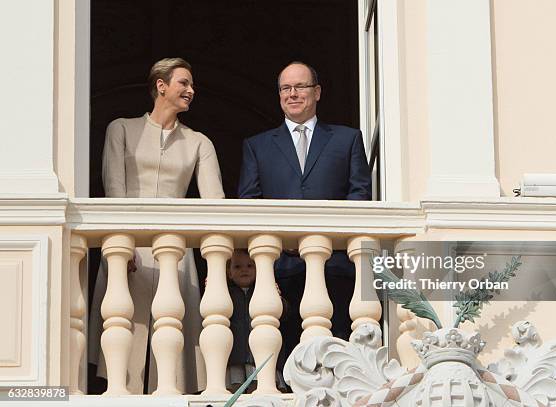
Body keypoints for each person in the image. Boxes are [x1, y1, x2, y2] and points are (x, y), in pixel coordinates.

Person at [88, 57, 224, 394]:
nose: (191, 90)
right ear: (161, 86)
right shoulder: (120, 128)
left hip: (176, 252)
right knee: (123, 346)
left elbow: (217, 207)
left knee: (172, 353)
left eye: (192, 85)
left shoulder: (199, 142)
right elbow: (114, 189)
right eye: (184, 83)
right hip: (127, 247)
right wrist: (122, 244)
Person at [238, 61, 371, 356]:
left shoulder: (347, 139)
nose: (292, 94)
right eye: (286, 88)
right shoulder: (257, 146)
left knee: (337, 353)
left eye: (300, 86)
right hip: (280, 271)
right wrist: (283, 243)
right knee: (282, 356)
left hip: (336, 267)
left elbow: (359, 194)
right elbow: (249, 204)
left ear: (317, 92)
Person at [223, 249, 288, 393]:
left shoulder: (264, 290)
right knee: (235, 387)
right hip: (236, 354)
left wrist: (277, 297)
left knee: (259, 386)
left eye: (250, 266)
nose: (244, 270)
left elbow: (283, 314)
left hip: (259, 353)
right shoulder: (226, 293)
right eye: (237, 267)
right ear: (229, 273)